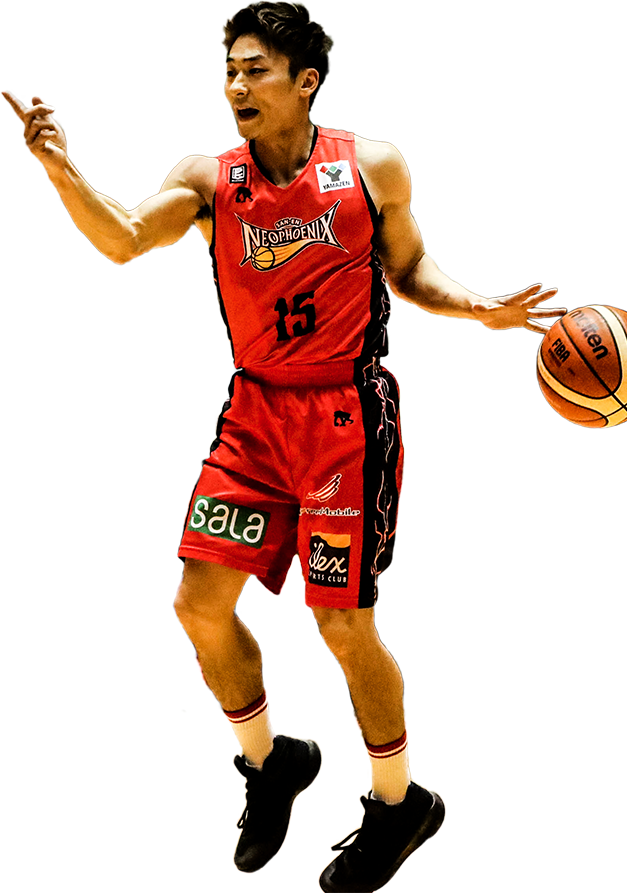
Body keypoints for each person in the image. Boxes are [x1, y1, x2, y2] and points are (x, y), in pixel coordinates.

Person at [3, 2, 564, 890]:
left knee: (342, 622)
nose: (236, 85)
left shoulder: (369, 166)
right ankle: (272, 763)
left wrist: (475, 308)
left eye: (254, 69)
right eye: (229, 70)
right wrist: (58, 167)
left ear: (305, 82)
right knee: (199, 605)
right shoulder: (208, 178)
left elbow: (407, 269)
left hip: (345, 416)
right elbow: (122, 237)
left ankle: (397, 802)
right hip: (255, 414)